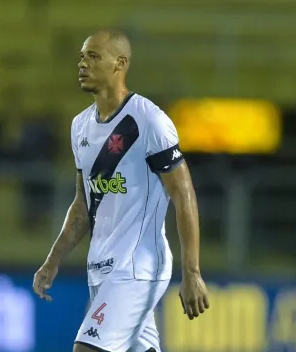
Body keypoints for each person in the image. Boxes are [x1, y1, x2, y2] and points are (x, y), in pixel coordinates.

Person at [33, 29, 209, 352]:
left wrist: (192, 270)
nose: (83, 63)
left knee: (86, 349)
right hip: (101, 269)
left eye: (94, 56)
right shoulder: (80, 127)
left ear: (120, 63)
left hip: (137, 269)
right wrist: (53, 260)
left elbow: (183, 195)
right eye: (82, 57)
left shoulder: (149, 122)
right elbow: (83, 206)